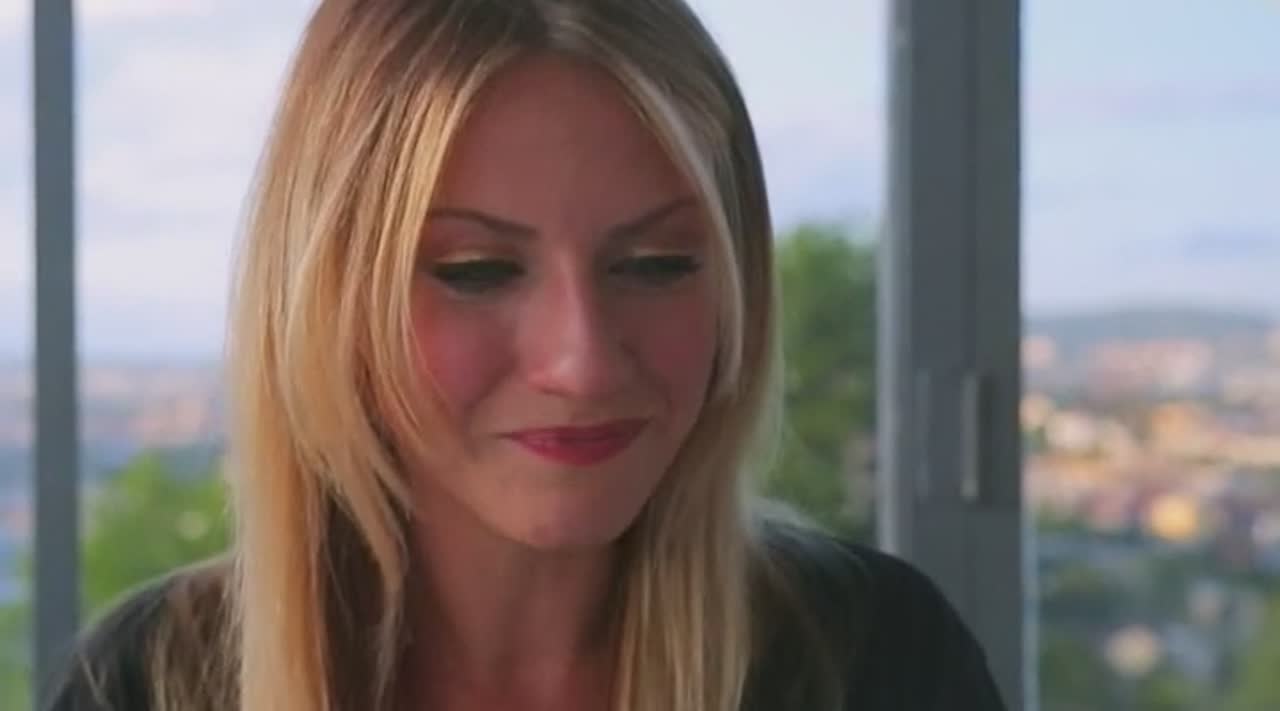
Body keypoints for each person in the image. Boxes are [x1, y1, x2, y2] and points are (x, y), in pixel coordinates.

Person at [45, 1, 1007, 709]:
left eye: (657, 264)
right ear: (325, 297)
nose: (582, 363)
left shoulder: (875, 661)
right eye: (476, 271)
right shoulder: (150, 684)